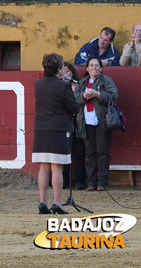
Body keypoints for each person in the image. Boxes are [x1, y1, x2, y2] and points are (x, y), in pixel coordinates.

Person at [33, 53, 80, 214]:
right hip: (58, 129)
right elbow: (74, 108)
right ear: (60, 69)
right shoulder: (63, 86)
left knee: (44, 166)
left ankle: (42, 202)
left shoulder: (37, 84)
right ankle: (57, 203)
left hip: (41, 129)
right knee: (57, 167)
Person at [74, 57, 119, 191]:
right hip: (85, 122)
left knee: (102, 152)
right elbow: (75, 99)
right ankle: (91, 182)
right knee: (90, 153)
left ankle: (102, 182)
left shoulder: (106, 80)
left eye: (97, 66)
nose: (94, 68)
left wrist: (98, 94)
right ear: (87, 68)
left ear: (101, 68)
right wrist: (84, 96)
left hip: (102, 122)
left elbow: (113, 97)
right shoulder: (82, 83)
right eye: (91, 66)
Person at [60, 61, 86, 190]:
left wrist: (76, 91)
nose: (66, 73)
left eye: (68, 70)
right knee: (64, 152)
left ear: (72, 73)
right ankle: (63, 181)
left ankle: (80, 181)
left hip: (77, 122)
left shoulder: (77, 86)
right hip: (62, 123)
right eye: (63, 70)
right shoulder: (57, 86)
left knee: (79, 152)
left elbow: (78, 105)